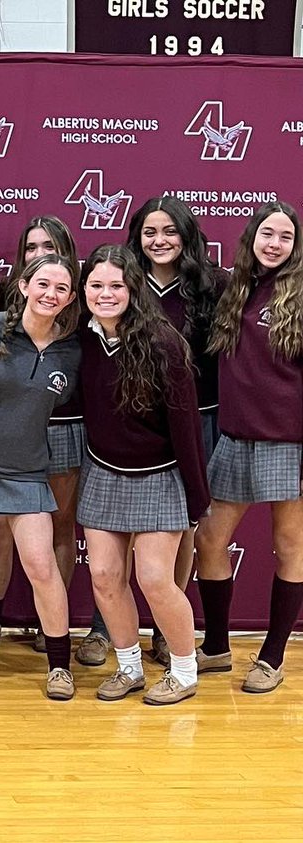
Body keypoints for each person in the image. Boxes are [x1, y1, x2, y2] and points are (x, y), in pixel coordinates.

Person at [76, 245, 209, 705]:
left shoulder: (164, 342)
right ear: (84, 289)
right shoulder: (82, 336)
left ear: (133, 289)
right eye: (96, 285)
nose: (106, 293)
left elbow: (187, 427)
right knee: (105, 578)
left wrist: (196, 498)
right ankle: (129, 668)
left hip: (160, 474)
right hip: (102, 470)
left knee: (154, 579)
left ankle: (185, 671)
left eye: (117, 285)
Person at [0, 254, 81, 699]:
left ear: (71, 298)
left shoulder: (73, 349)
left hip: (28, 473)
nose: (50, 294)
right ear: (23, 286)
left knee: (43, 567)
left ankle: (59, 666)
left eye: (60, 289)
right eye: (42, 284)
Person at [0, 217, 98, 664]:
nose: (50, 291)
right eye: (31, 248)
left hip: (63, 429)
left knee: (58, 529)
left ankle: (54, 637)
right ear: (24, 278)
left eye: (49, 247)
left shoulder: (81, 333)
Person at [196, 201, 303, 694]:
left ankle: (272, 656)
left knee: (289, 546)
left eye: (285, 236)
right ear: (252, 237)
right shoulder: (235, 288)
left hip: (289, 441)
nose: (275, 243)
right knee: (210, 540)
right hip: (235, 436)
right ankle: (216, 647)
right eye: (267, 233)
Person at [126, 196, 227, 665]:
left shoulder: (213, 286)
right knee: (124, 529)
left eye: (169, 231)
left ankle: (169, 629)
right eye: (150, 232)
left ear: (187, 237)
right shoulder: (125, 283)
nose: (159, 241)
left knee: (184, 525)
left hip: (199, 420)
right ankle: (112, 627)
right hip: (135, 422)